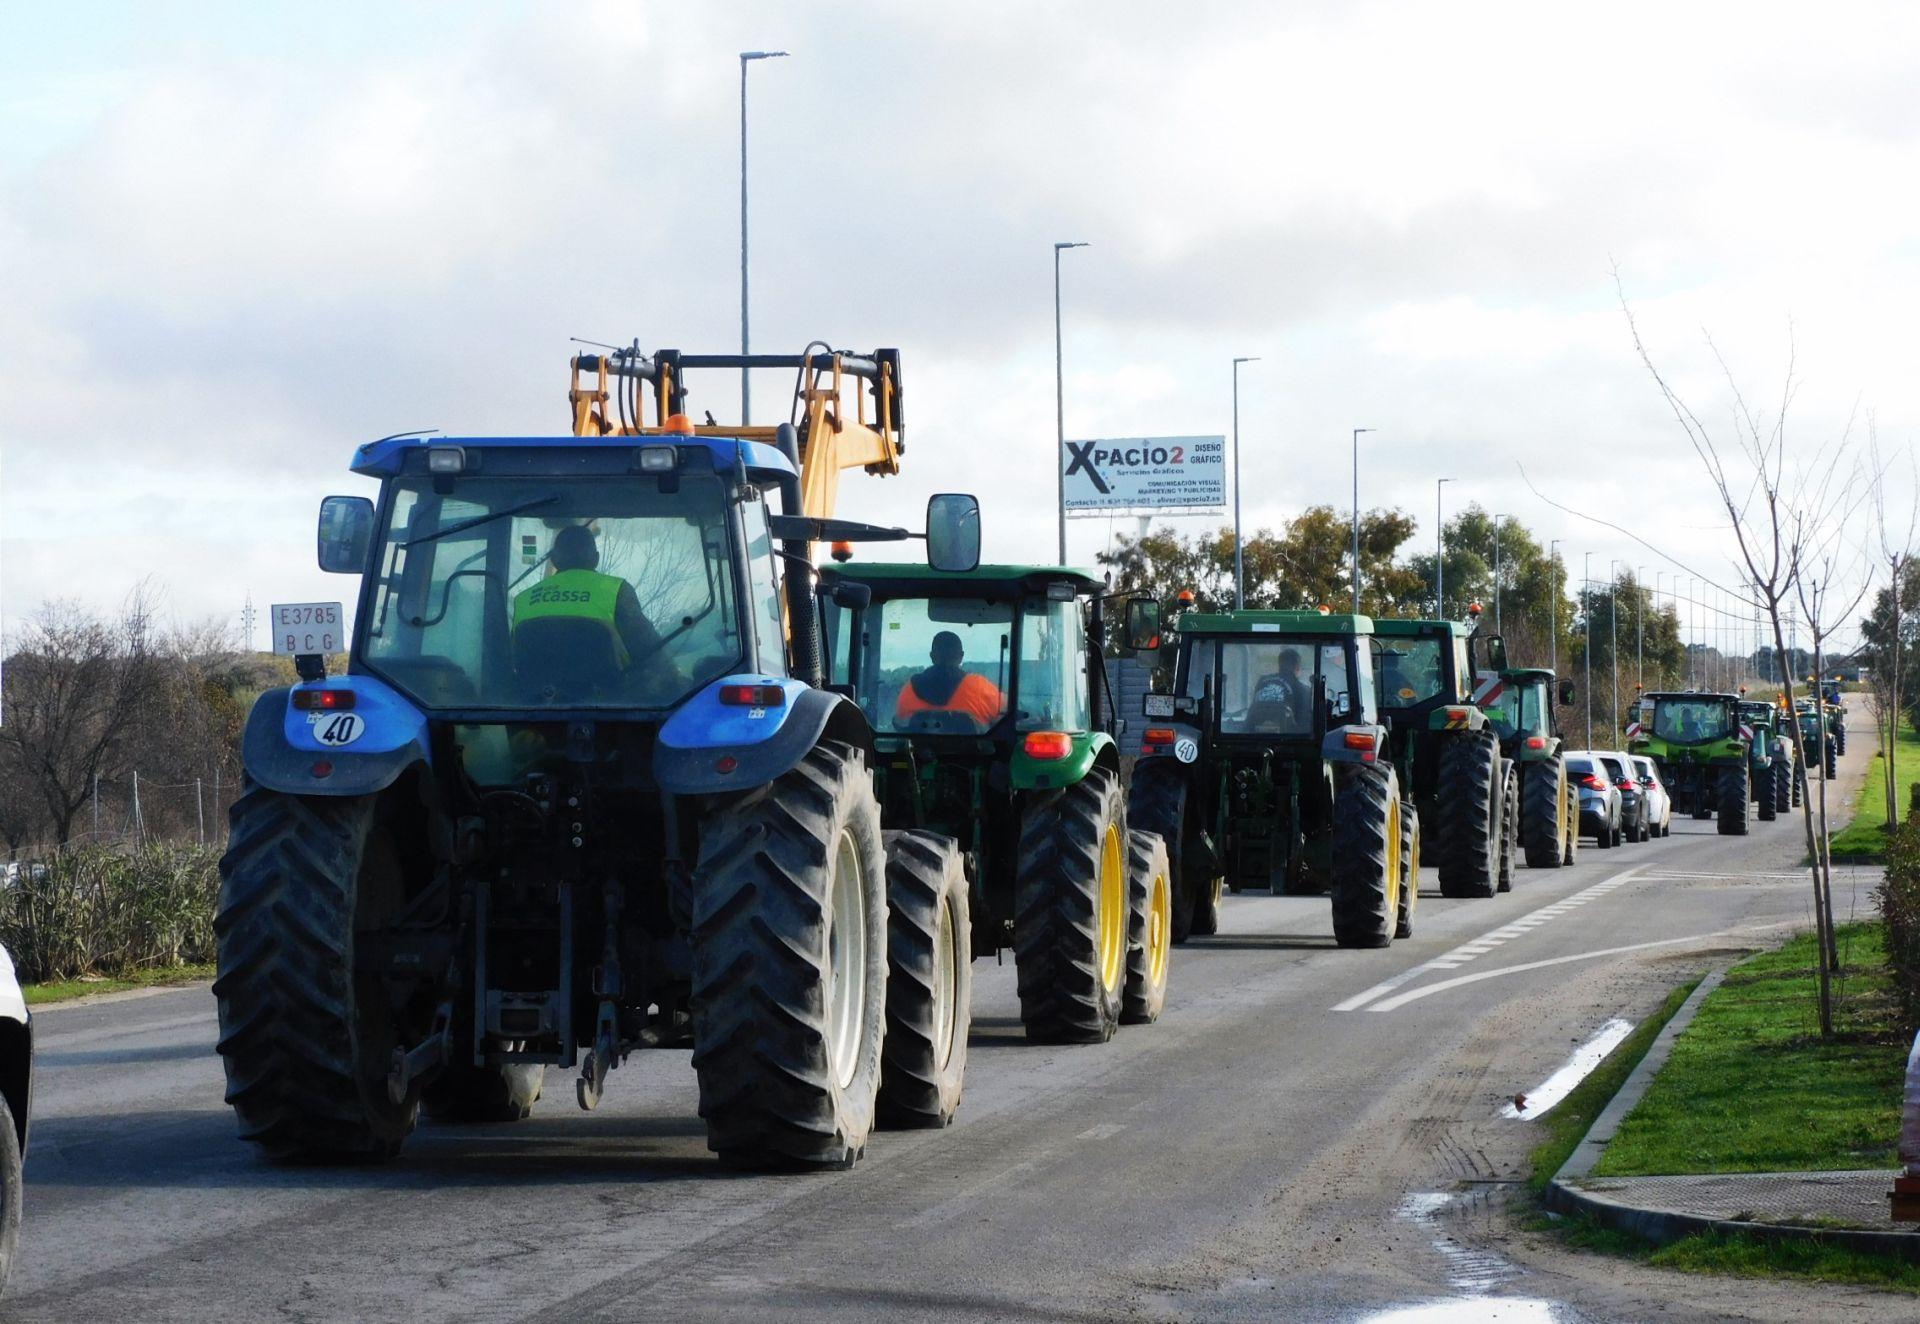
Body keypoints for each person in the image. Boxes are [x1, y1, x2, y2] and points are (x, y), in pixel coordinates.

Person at [513, 524, 666, 677]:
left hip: (534, 698)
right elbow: (649, 650)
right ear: (596, 559)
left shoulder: (523, 599)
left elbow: (511, 657)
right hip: (609, 698)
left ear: (553, 560)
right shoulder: (616, 590)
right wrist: (673, 681)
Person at [895, 630, 1006, 729]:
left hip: (920, 752)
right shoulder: (980, 687)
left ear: (932, 656)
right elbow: (1006, 716)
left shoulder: (908, 690)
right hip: (970, 752)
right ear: (961, 656)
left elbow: (900, 726)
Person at [1246, 647, 1311, 731]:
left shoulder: (1262, 681)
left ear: (1279, 665)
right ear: (1297, 667)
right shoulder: (1303, 690)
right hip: (1287, 740)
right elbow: (1304, 722)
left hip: (1252, 736)